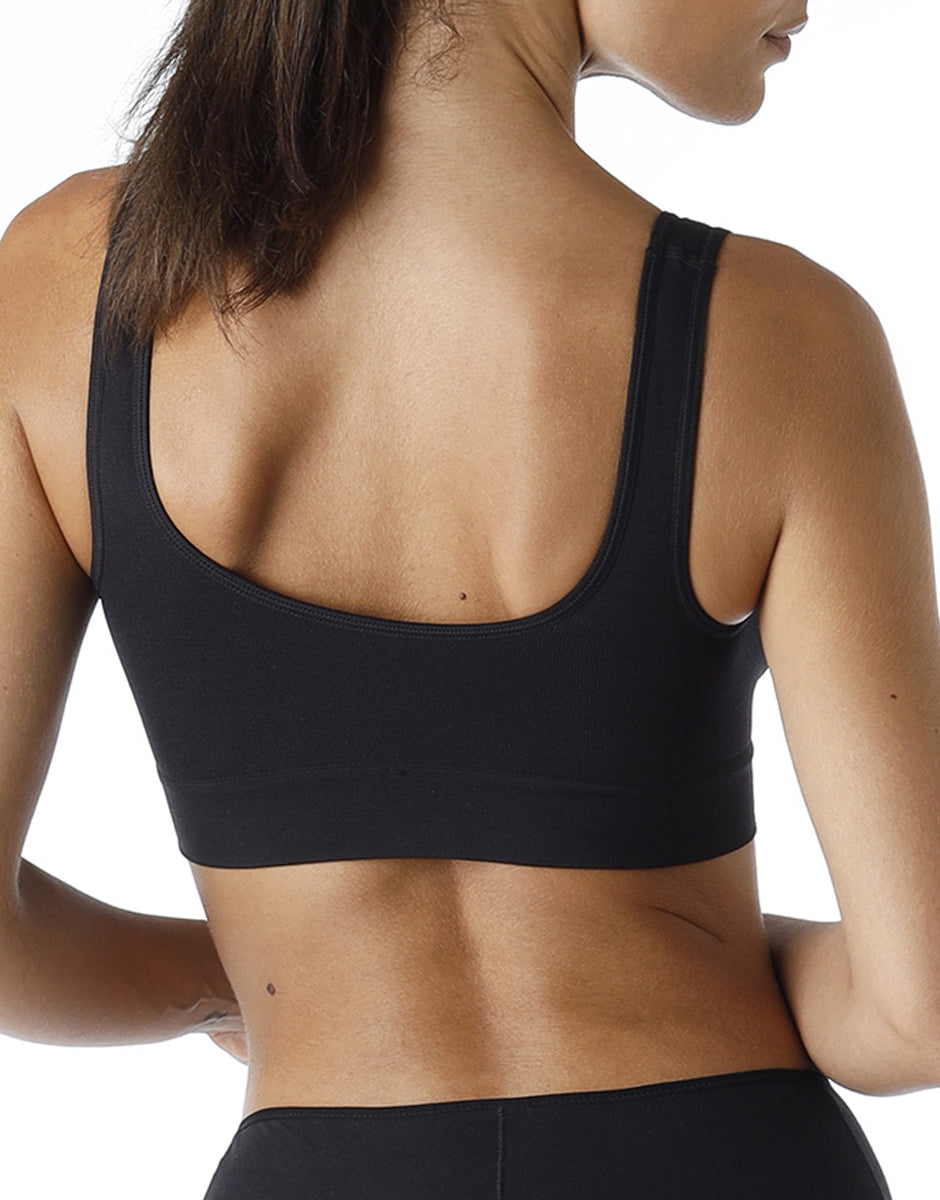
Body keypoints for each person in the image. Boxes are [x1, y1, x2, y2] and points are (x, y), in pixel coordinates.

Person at [0, 0, 937, 1196]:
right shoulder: (783, 337)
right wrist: (677, 956)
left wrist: (263, 981)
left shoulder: (73, 290)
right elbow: (917, 1012)